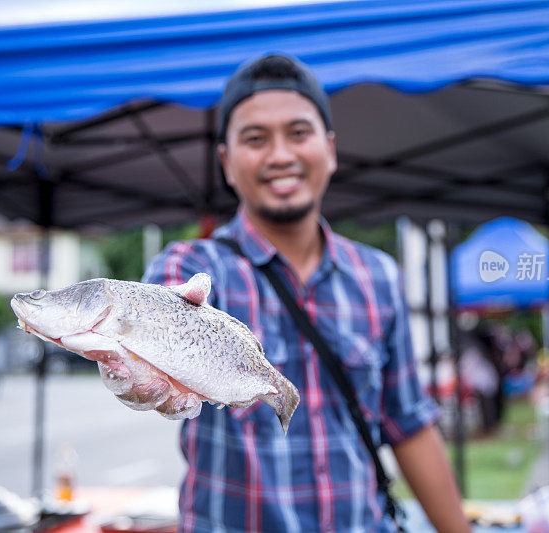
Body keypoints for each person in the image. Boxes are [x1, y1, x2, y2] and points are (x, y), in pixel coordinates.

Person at [143, 54, 469, 533]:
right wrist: (151, 346)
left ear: (330, 149)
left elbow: (409, 424)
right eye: (256, 139)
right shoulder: (196, 267)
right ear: (227, 162)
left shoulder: (379, 276)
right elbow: (162, 302)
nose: (280, 155)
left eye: (298, 133)